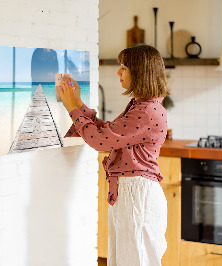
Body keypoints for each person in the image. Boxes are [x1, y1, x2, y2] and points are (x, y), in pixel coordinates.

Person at [57, 44, 169, 266]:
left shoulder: (146, 111)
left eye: (124, 67)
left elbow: (100, 141)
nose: (118, 72)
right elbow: (108, 133)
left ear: (140, 72)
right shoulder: (142, 106)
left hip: (137, 196)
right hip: (132, 193)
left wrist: (72, 108)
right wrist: (78, 103)